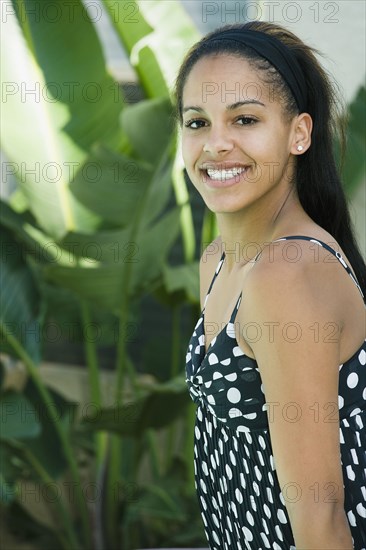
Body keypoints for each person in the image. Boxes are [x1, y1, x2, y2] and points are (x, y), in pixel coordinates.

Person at [177, 21, 366, 549]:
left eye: (244, 118)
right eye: (196, 122)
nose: (216, 143)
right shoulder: (218, 260)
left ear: (299, 133)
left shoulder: (287, 272)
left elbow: (321, 518)